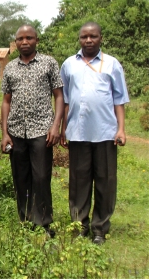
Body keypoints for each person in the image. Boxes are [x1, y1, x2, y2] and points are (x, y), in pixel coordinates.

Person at [60, 22, 129, 245]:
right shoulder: (69, 64)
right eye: (84, 37)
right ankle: (80, 225)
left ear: (101, 38)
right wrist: (63, 128)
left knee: (105, 181)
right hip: (78, 134)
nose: (88, 40)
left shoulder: (112, 64)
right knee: (79, 182)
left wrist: (121, 129)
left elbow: (119, 99)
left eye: (93, 36)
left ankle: (100, 228)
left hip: (106, 133)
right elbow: (66, 100)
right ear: (79, 39)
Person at [1, 25, 64, 237]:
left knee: (41, 177)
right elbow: (6, 101)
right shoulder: (10, 68)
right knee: (20, 178)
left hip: (41, 131)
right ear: (15, 42)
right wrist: (4, 132)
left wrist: (56, 126)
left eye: (29, 38)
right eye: (20, 39)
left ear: (37, 40)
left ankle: (44, 222)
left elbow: (59, 96)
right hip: (17, 130)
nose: (24, 42)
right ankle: (26, 220)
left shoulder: (49, 63)